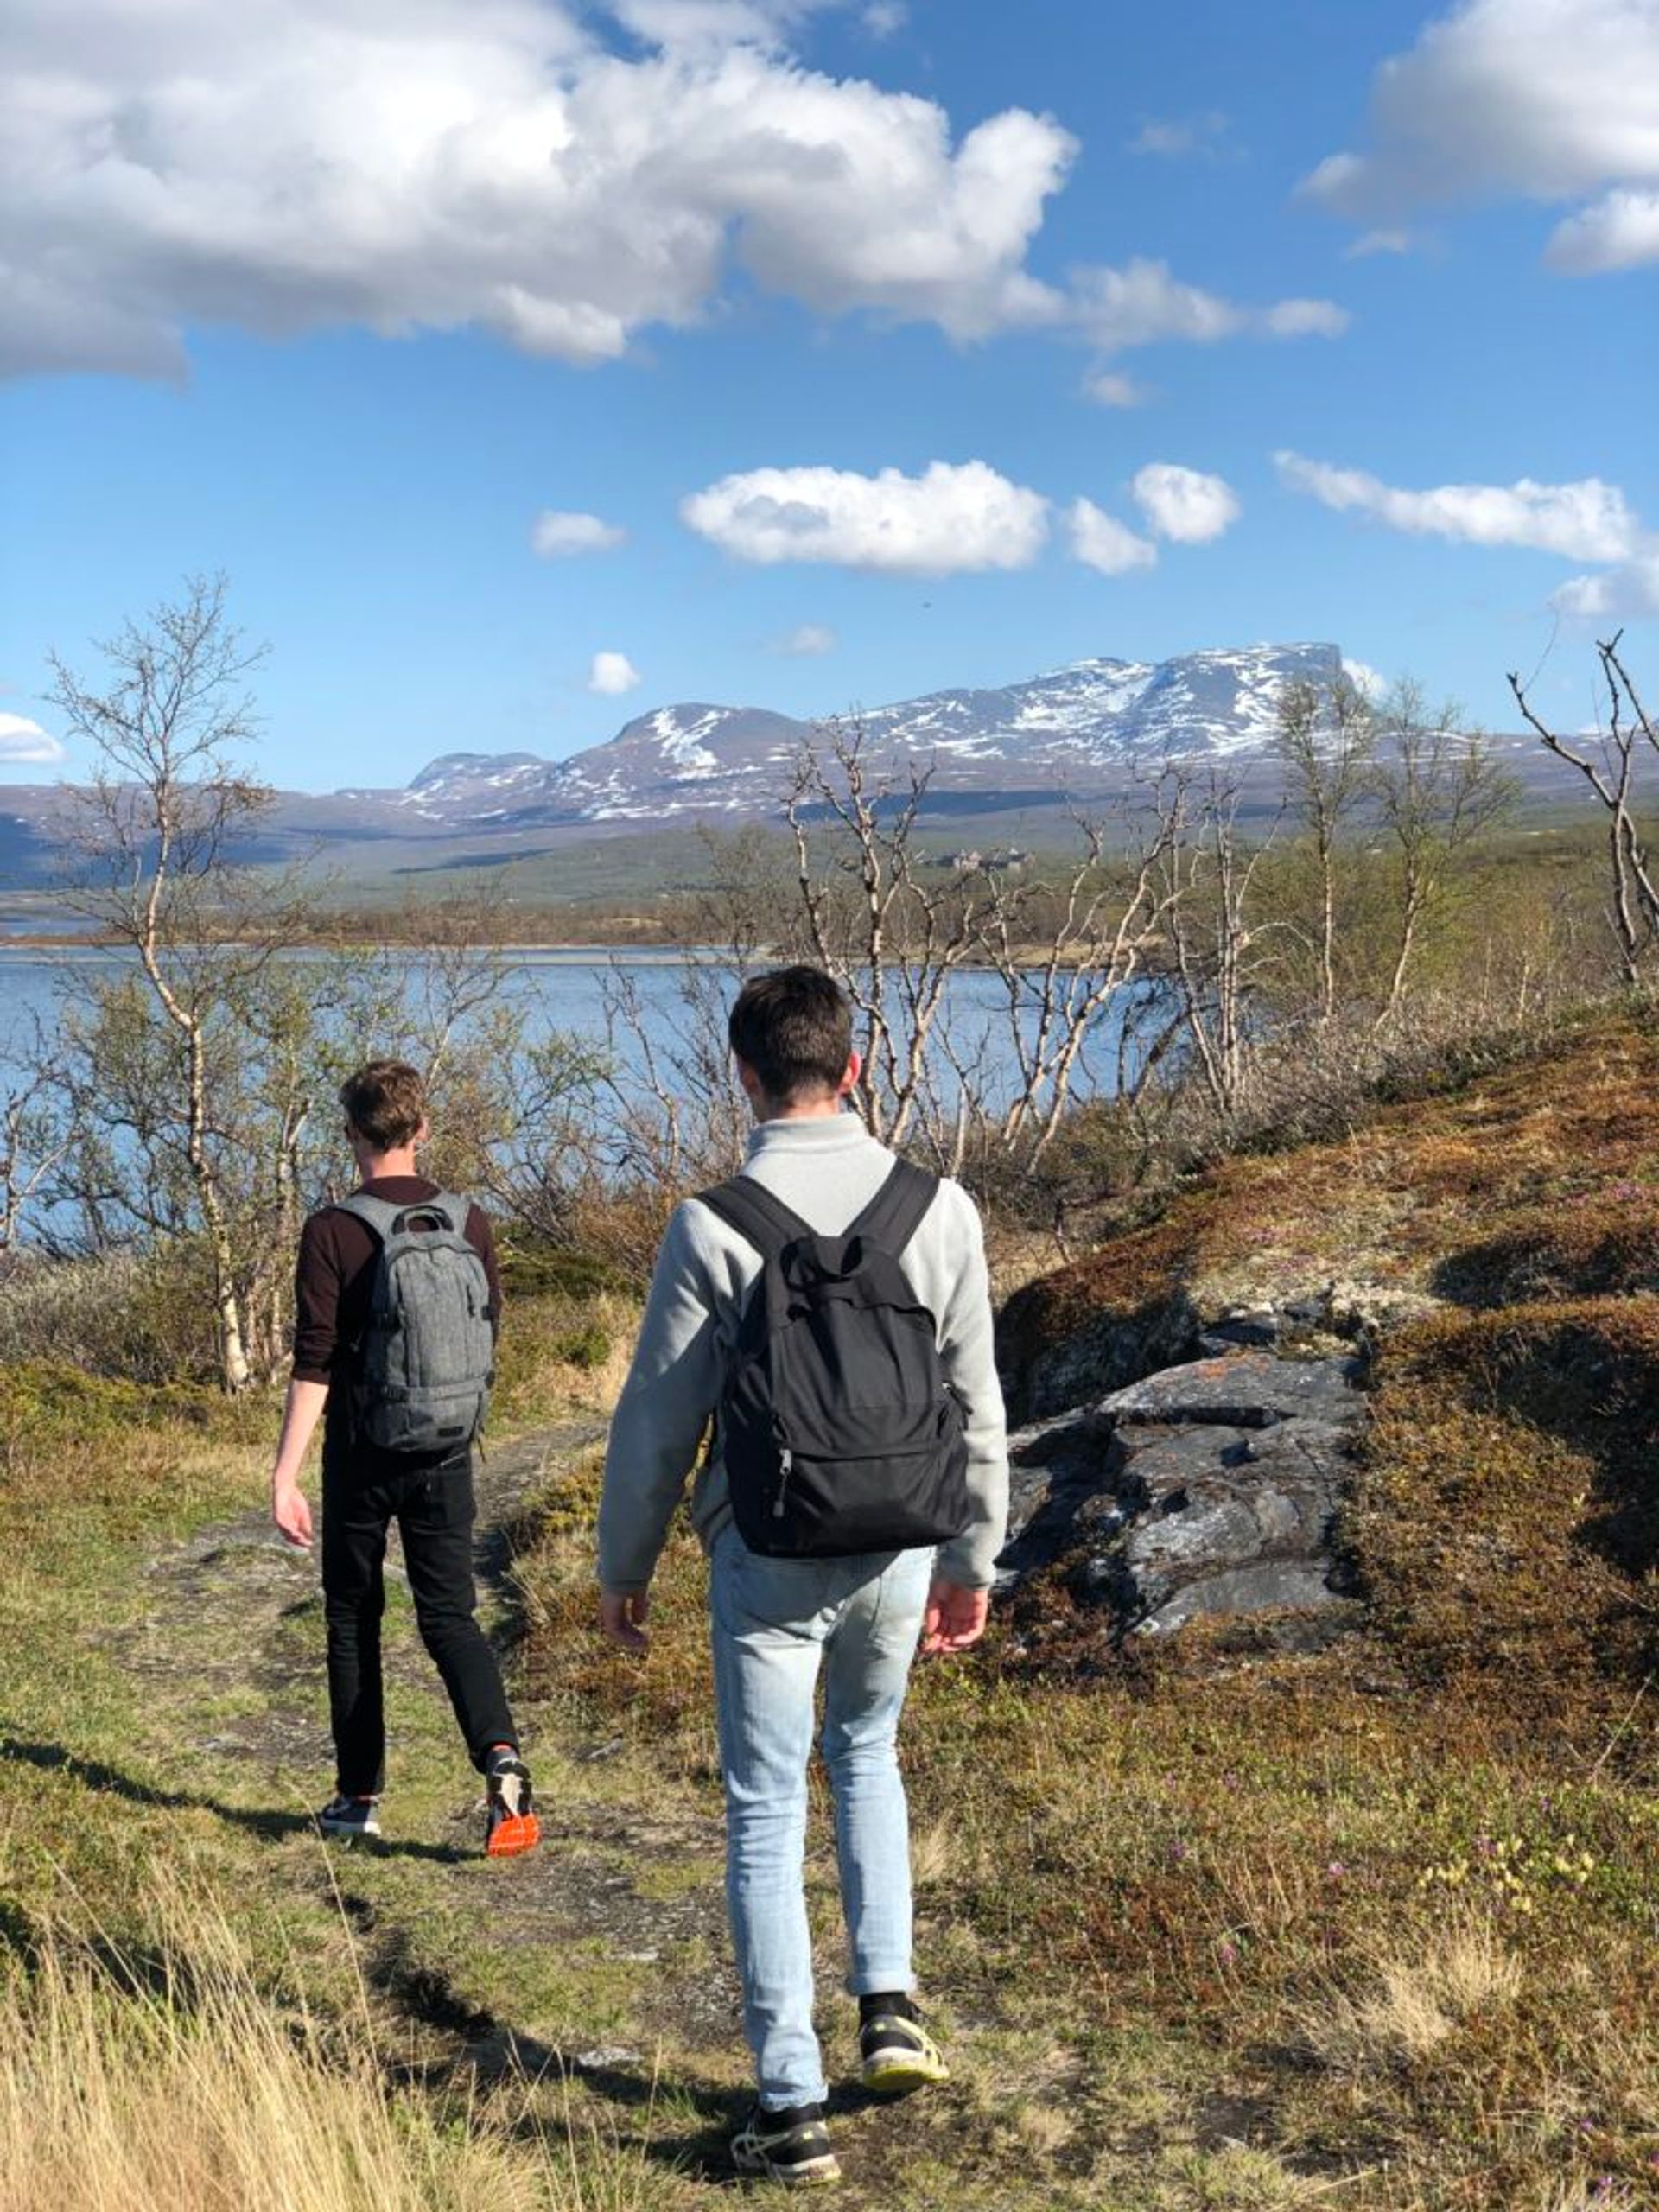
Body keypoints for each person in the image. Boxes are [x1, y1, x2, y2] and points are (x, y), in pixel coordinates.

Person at [597, 966, 1007, 2188]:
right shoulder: (943, 1210)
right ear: (857, 1067)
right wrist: (972, 1560)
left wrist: (626, 1567)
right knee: (867, 1753)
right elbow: (977, 1408)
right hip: (901, 1544)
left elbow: (657, 1422)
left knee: (767, 1808)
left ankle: (789, 2104)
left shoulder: (710, 1223)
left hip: (766, 1552)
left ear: (744, 1075)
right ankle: (891, 2010)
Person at [270, 1058, 539, 1857]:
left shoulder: (333, 1231)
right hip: (449, 1448)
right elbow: (489, 1325)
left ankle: (358, 1799)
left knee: (353, 1619)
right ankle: (502, 1760)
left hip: (363, 1452)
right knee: (451, 1616)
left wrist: (285, 1474)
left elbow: (314, 1359)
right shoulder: (470, 1220)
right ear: (422, 1130)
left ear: (350, 1133)